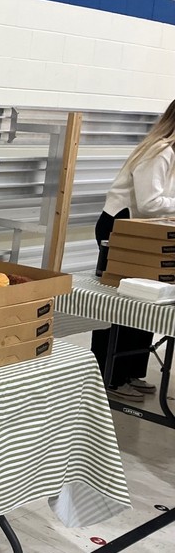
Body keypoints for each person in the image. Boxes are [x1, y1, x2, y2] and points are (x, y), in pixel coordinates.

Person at [91, 97, 175, 402]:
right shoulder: (160, 150)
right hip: (121, 226)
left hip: (143, 230)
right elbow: (150, 202)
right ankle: (108, 376)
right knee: (121, 300)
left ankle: (128, 372)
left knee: (144, 299)